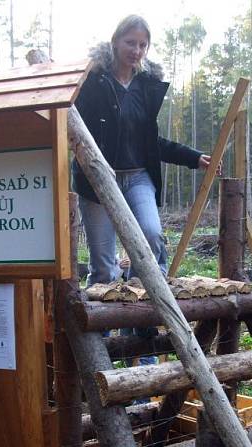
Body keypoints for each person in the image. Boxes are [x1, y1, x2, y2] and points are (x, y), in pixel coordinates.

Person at [71, 14, 212, 285]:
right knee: (103, 264)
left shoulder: (146, 87)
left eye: (142, 45)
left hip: (138, 177)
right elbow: (74, 131)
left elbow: (151, 143)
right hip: (97, 180)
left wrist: (193, 157)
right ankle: (99, 328)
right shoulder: (92, 82)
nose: (136, 50)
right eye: (130, 42)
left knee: (150, 233)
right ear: (115, 42)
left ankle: (141, 316)